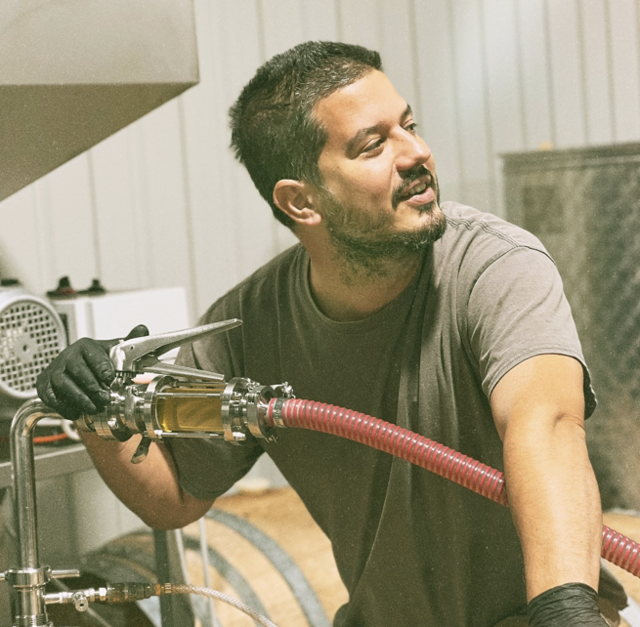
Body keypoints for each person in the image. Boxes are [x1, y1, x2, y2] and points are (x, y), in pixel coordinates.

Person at [37, 41, 627, 626]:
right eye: (374, 145)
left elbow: (547, 425)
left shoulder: (495, 266)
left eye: (409, 126)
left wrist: (564, 610)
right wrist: (94, 411)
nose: (417, 152)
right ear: (301, 201)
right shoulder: (251, 325)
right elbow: (175, 496)